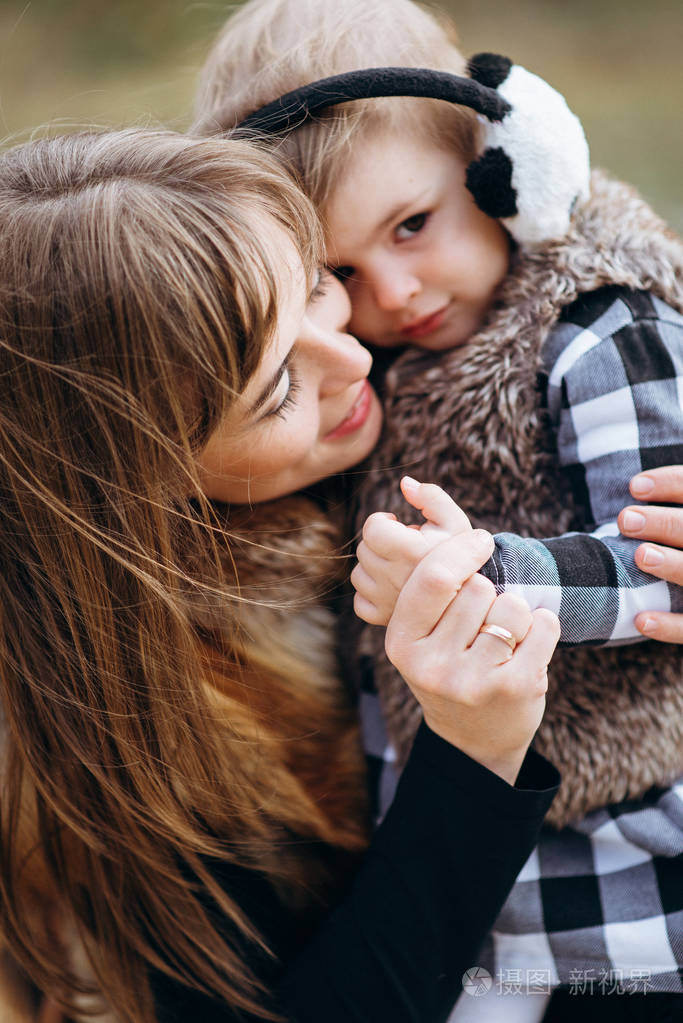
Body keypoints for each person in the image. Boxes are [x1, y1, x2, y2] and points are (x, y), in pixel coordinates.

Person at [0, 128, 564, 1023]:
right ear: (136, 480)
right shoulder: (113, 734)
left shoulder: (407, 349)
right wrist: (472, 754)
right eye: (275, 392)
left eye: (313, 286)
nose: (353, 360)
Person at [190, 0, 683, 1015]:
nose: (397, 292)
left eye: (411, 225)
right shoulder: (389, 371)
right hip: (477, 886)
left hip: (620, 867)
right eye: (339, 274)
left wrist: (481, 576)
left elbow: (652, 560)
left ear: (505, 156)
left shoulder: (594, 327)